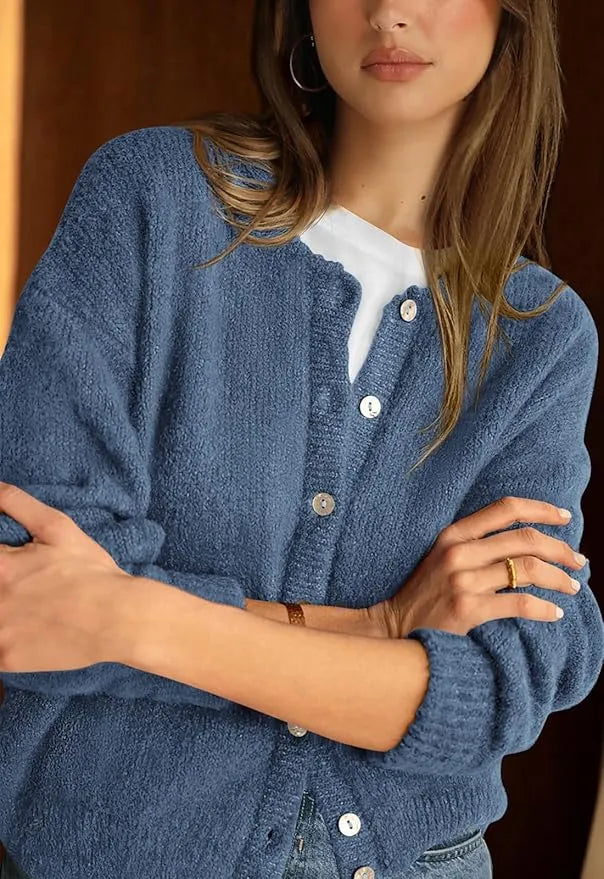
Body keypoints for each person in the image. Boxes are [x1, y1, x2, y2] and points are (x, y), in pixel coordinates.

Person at [0, 1, 601, 878]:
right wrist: (379, 628)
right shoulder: (153, 199)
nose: (391, 12)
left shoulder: (541, 335)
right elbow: (26, 603)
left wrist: (130, 614)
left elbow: (503, 686)